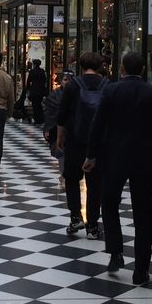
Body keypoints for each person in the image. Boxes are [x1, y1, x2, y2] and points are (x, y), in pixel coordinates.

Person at [84, 50, 152, 285]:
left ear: (122, 69)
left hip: (114, 158)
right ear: (142, 70)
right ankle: (141, 269)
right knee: (143, 213)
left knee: (109, 203)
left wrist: (91, 155)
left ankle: (115, 251)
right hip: (146, 160)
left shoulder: (111, 91)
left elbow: (98, 125)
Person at [56, 52, 107, 237]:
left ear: (81, 65)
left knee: (71, 178)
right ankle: (93, 225)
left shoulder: (73, 85)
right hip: (98, 141)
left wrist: (60, 137)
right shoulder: (107, 85)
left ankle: (75, 217)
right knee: (95, 183)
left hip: (75, 139)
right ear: (100, 65)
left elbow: (62, 114)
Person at [43, 73, 71, 190]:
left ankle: (67, 176)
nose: (67, 82)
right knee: (61, 153)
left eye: (69, 80)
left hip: (72, 129)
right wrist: (47, 129)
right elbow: (49, 113)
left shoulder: (77, 94)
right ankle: (64, 176)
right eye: (65, 80)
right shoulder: (54, 96)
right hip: (57, 129)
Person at [26, 59, 47, 125]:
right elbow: (44, 80)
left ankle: (37, 119)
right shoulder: (42, 71)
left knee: (35, 105)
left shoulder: (32, 71)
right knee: (39, 104)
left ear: (34, 64)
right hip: (41, 90)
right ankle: (41, 118)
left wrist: (28, 89)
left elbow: (29, 80)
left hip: (34, 90)